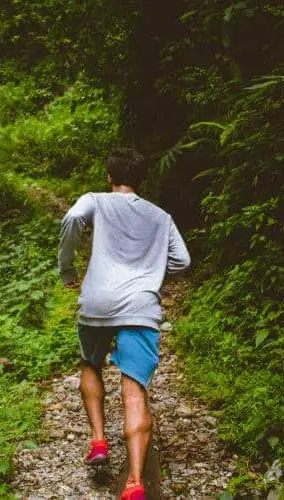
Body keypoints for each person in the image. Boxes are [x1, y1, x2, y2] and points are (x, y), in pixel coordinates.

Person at [58, 147, 191, 500]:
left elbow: (71, 219)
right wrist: (152, 277)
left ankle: (99, 442)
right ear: (142, 180)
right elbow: (183, 260)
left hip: (97, 301)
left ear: (109, 177)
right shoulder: (161, 217)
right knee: (134, 391)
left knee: (90, 363)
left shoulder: (95, 200)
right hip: (141, 306)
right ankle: (134, 483)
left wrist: (67, 270)